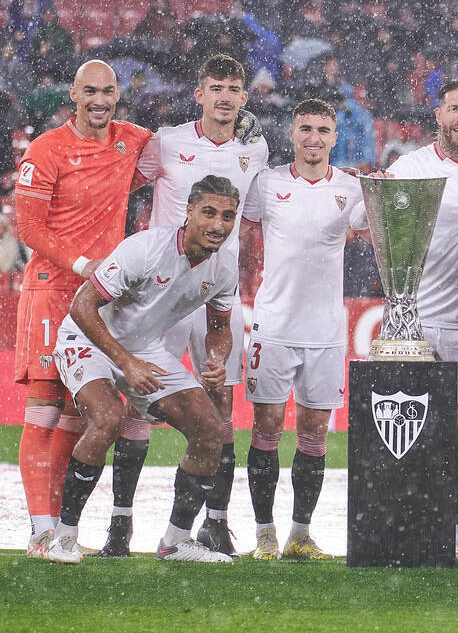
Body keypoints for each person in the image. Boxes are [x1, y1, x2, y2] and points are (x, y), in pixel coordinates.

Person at [99, 54, 268, 558]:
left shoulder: (255, 147)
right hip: (160, 292)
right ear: (199, 95)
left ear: (244, 97)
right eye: (215, 87)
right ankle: (120, 524)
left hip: (217, 289)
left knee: (221, 401)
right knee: (139, 400)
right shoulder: (168, 141)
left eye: (232, 88)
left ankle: (214, 523)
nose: (224, 97)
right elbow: (121, 181)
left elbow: (257, 210)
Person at [40, 175, 241, 564]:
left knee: (210, 429)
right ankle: (63, 537)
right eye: (209, 213)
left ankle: (175, 542)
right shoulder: (145, 249)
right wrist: (126, 362)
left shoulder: (224, 269)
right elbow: (82, 306)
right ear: (189, 212)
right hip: (85, 339)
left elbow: (219, 328)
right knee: (108, 418)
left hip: (145, 349)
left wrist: (217, 358)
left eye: (227, 216)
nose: (218, 225)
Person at [15, 60, 153, 559]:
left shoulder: (131, 140)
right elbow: (28, 227)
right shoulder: (46, 149)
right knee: (45, 407)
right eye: (89, 91)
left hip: (99, 299)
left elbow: (184, 149)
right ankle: (40, 531)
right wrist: (81, 262)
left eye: (107, 91)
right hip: (53, 289)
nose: (99, 100)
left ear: (118, 94)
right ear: (73, 94)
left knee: (78, 413)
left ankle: (59, 530)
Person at [241, 99, 369, 560]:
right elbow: (241, 237)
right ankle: (264, 533)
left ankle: (300, 533)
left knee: (314, 432)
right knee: (267, 428)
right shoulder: (267, 183)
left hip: (326, 330)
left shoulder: (351, 188)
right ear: (292, 134)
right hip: (273, 325)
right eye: (306, 129)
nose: (314, 138)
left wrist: (380, 191)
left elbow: (371, 232)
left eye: (322, 130)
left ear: (335, 137)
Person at [385, 78, 458, 561]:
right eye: (453, 108)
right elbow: (371, 223)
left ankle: (455, 532)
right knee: (413, 429)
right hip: (416, 319)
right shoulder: (410, 168)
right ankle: (411, 526)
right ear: (437, 115)